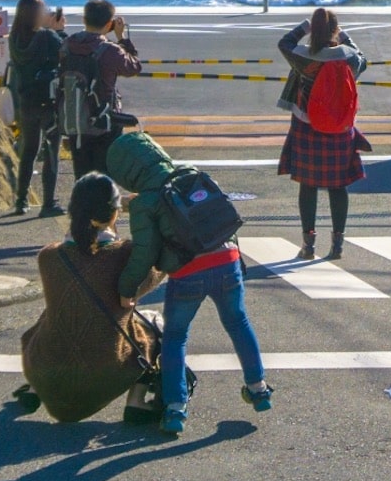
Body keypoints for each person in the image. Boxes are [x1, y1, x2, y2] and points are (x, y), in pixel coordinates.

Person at [108, 131, 273, 436]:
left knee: (175, 336)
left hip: (188, 273)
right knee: (238, 322)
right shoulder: (193, 174)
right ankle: (259, 388)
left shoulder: (146, 202)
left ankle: (175, 409)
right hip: (227, 259)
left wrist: (126, 289)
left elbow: (144, 253)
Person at [17, 173, 163, 424]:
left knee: (57, 309)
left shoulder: (49, 257)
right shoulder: (125, 255)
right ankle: (137, 403)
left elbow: (84, 246)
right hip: (103, 376)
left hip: (46, 375)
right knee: (156, 324)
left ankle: (33, 389)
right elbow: (158, 270)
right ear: (115, 213)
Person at [277, 8, 369, 259]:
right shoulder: (347, 57)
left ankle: (308, 246)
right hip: (340, 129)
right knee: (338, 187)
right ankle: (337, 245)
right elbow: (363, 59)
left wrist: (305, 26)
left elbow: (284, 42)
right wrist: (344, 35)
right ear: (334, 31)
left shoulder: (302, 57)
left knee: (308, 185)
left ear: (313, 31)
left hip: (306, 126)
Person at [60, 0, 143, 177]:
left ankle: (82, 204)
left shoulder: (67, 45)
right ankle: (104, 204)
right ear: (109, 23)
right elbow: (134, 67)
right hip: (105, 120)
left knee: (82, 175)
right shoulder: (110, 50)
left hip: (74, 116)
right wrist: (121, 38)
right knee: (105, 175)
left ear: (84, 20)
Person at [8, 0, 67, 217]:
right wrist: (58, 30)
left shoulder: (14, 38)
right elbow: (66, 51)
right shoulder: (46, 36)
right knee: (52, 152)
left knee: (29, 151)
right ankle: (48, 203)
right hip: (48, 102)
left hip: (25, 102)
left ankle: (21, 201)